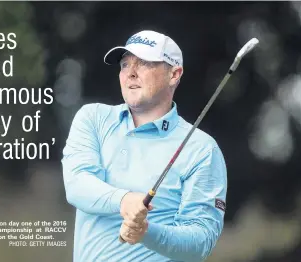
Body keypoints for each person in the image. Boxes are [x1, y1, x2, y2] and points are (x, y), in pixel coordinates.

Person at [62, 30, 227, 262]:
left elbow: (199, 243)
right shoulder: (93, 118)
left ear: (174, 74)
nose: (130, 73)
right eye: (125, 64)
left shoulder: (202, 149)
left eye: (144, 63)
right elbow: (78, 185)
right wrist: (124, 200)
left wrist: (146, 232)